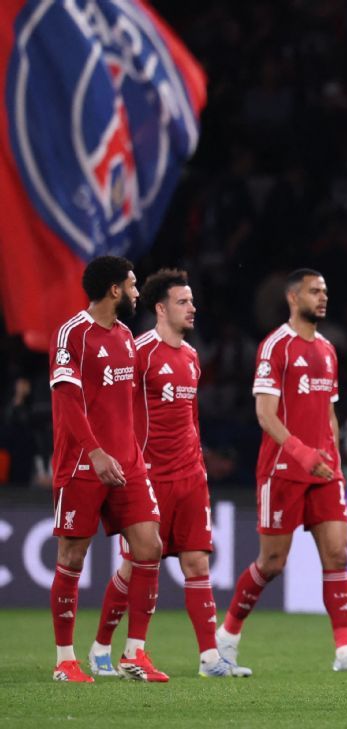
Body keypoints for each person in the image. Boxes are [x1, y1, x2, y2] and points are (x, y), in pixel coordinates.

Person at [215, 269, 347, 673]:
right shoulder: (276, 346)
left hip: (324, 471)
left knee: (338, 555)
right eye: (314, 291)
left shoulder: (327, 349)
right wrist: (302, 454)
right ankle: (227, 636)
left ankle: (345, 653)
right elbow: (265, 414)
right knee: (272, 563)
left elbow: (329, 412)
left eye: (325, 291)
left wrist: (334, 459)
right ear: (293, 298)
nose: (322, 297)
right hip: (283, 470)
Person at [87, 269, 248, 679]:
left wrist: (202, 461)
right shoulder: (140, 352)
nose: (192, 308)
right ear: (161, 308)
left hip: (191, 477)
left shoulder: (192, 357)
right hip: (149, 476)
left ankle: (210, 659)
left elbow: (191, 420)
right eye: (182, 301)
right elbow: (113, 407)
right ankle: (102, 647)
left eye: (192, 301)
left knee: (197, 563)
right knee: (135, 566)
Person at [46, 256, 164, 683]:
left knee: (149, 547)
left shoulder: (126, 336)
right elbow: (67, 402)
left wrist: (135, 453)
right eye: (132, 285)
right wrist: (95, 452)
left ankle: (134, 653)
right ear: (114, 290)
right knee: (72, 556)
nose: (136, 293)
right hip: (83, 463)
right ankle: (65, 660)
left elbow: (125, 406)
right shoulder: (71, 334)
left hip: (128, 464)